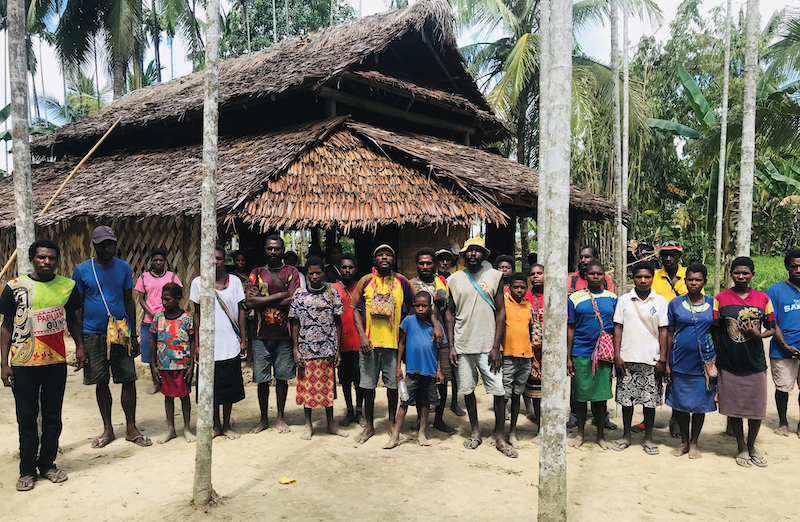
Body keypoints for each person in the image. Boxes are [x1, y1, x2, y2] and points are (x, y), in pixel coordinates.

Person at [1, 240, 85, 491]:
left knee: (52, 417)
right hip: (22, 363)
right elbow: (6, 327)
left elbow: (73, 319)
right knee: (26, 418)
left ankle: (47, 464)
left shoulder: (67, 286)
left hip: (55, 362)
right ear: (32, 260)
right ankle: (27, 471)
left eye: (51, 258)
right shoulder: (15, 288)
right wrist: (3, 364)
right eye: (41, 257)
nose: (46, 262)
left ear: (57, 260)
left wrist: (80, 346)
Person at [72, 226, 150, 449]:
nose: (107, 248)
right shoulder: (82, 270)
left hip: (121, 332)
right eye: (103, 244)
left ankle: (131, 428)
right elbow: (77, 307)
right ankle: (107, 429)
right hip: (92, 332)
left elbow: (128, 301)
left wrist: (134, 336)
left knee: (128, 378)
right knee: (100, 380)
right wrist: (79, 343)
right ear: (94, 245)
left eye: (110, 243)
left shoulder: (124, 267)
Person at [445, 237, 514, 457]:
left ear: (484, 254)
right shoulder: (454, 279)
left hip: (488, 346)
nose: (473, 254)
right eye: (469, 251)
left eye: (477, 251)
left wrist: (496, 346)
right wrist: (452, 346)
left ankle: (500, 436)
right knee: (467, 390)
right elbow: (450, 312)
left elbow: (501, 311)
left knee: (499, 392)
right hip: (463, 344)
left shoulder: (495, 276)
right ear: (464, 255)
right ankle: (475, 431)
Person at [352, 244, 421, 444]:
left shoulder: (402, 282)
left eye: (388, 255)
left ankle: (391, 423)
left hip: (393, 345)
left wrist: (405, 332)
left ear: (394, 259)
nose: (384, 258)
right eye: (380, 255)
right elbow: (355, 310)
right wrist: (362, 337)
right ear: (374, 260)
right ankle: (370, 426)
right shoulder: (366, 281)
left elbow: (415, 306)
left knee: (393, 387)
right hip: (369, 345)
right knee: (367, 386)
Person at [713, 256, 775, 467]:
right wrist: (718, 355)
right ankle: (740, 447)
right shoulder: (720, 298)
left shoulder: (763, 299)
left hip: (755, 362)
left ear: (752, 275)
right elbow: (716, 330)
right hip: (729, 362)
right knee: (735, 408)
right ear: (731, 274)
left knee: (756, 409)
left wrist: (759, 335)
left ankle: (751, 446)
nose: (741, 276)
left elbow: (773, 328)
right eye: (737, 272)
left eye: (745, 273)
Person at [612, 261, 669, 455]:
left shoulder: (660, 302)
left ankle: (648, 437)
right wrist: (617, 355)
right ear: (633, 278)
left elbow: (663, 331)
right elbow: (618, 327)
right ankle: (626, 435)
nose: (643, 280)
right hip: (627, 357)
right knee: (626, 401)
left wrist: (662, 359)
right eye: (638, 277)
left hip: (651, 359)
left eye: (647, 277)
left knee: (649, 401)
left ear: (652, 278)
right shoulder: (624, 300)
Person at [190, 246, 247, 439]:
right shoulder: (198, 283)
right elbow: (196, 314)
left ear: (225, 261)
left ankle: (227, 425)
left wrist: (243, 340)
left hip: (230, 342)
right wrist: (197, 344)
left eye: (220, 259)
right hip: (208, 344)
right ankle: (215, 425)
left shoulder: (236, 282)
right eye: (212, 258)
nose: (216, 262)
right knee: (211, 387)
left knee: (228, 387)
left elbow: (241, 311)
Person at [289, 256, 348, 440]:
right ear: (306, 274)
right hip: (306, 349)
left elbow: (338, 321)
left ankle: (331, 424)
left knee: (327, 388)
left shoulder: (332, 292)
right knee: (308, 388)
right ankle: (308, 425)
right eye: (311, 273)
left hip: (328, 348)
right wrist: (295, 349)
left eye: (318, 272)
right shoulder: (299, 294)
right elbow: (294, 322)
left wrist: (337, 349)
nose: (314, 276)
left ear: (324, 272)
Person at [246, 235, 301, 434]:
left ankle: (280, 417)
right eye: (269, 248)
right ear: (265, 249)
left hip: (284, 335)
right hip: (260, 335)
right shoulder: (256, 272)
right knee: (261, 380)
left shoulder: (292, 272)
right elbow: (249, 302)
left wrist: (263, 299)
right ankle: (263, 419)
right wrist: (279, 295)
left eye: (276, 249)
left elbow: (294, 300)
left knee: (282, 378)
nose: (273, 252)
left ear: (282, 250)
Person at [664, 264, 716, 458]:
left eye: (698, 279)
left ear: (704, 282)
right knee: (681, 404)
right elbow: (669, 333)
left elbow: (716, 333)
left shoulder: (712, 303)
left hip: (704, 364)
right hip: (680, 361)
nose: (694, 283)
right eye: (690, 279)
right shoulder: (675, 304)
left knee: (700, 405)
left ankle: (695, 443)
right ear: (685, 281)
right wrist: (667, 362)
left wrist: (716, 360)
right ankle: (684, 442)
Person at [409, 247, 461, 432]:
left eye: (429, 263)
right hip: (419, 339)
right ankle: (419, 418)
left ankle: (438, 419)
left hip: (441, 340)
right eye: (421, 263)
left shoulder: (442, 283)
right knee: (419, 379)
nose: (425, 266)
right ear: (416, 265)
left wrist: (450, 339)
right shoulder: (411, 285)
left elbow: (448, 312)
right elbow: (407, 312)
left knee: (443, 379)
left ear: (435, 264)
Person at [566, 261, 617, 450]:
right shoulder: (575, 298)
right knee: (581, 394)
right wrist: (569, 356)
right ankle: (580, 433)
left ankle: (600, 435)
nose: (595, 276)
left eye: (599, 274)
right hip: (581, 351)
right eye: (592, 274)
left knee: (601, 396)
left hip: (604, 353)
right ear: (585, 276)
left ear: (604, 276)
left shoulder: (612, 298)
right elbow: (571, 327)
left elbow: (617, 327)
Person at [384, 291, 445, 449]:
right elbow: (401, 344)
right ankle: (395, 435)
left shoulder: (436, 326)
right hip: (412, 370)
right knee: (404, 402)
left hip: (430, 370)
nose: (420, 308)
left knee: (425, 403)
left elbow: (439, 350)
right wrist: (398, 366)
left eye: (424, 306)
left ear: (430, 307)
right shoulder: (408, 321)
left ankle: (422, 432)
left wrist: (439, 370)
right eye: (417, 305)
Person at [647, 241, 694, 437]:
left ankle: (677, 416)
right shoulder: (654, 276)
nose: (668, 258)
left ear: (678, 256)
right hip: (656, 332)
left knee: (676, 376)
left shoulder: (689, 275)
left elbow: (695, 298)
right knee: (653, 374)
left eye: (672, 254)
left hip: (681, 332)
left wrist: (677, 285)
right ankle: (647, 418)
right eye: (665, 254)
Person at [148, 282, 195, 444]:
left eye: (167, 299)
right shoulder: (158, 318)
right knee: (168, 396)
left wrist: (191, 366)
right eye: (162, 299)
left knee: (184, 396)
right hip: (164, 365)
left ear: (178, 299)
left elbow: (192, 341)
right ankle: (171, 429)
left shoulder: (186, 318)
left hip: (183, 364)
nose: (164, 302)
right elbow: (153, 341)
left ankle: (187, 428)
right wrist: (153, 364)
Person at [134, 247, 182, 394]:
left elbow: (179, 294)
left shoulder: (172, 277)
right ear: (152, 262)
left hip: (169, 322)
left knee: (168, 352)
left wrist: (167, 313)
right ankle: (156, 383)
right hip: (150, 321)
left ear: (165, 262)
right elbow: (141, 299)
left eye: (161, 260)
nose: (158, 262)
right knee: (151, 353)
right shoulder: (144, 278)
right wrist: (153, 314)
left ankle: (168, 383)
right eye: (156, 260)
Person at [766, 249, 800, 438]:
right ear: (788, 267)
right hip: (783, 350)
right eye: (794, 266)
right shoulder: (775, 290)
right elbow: (772, 322)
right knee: (782, 388)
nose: (798, 269)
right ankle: (783, 422)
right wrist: (785, 346)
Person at [503, 273, 535, 450]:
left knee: (517, 395)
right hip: (508, 355)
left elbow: (529, 332)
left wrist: (534, 359)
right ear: (509, 288)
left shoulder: (528, 306)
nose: (519, 290)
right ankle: (499, 430)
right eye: (516, 287)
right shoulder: (504, 304)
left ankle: (512, 432)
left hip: (525, 357)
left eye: (523, 287)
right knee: (503, 396)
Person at [332, 254, 365, 427]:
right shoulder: (332, 289)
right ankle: (349, 410)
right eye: (344, 267)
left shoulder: (363, 287)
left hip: (359, 342)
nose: (347, 270)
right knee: (344, 380)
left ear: (356, 269)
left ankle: (359, 411)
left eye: (350, 267)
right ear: (339, 268)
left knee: (359, 380)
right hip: (341, 343)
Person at [523, 263, 544, 428]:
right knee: (535, 389)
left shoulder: (554, 296)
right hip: (532, 349)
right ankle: (538, 420)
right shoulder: (526, 297)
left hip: (550, 351)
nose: (535, 276)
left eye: (539, 273)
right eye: (532, 274)